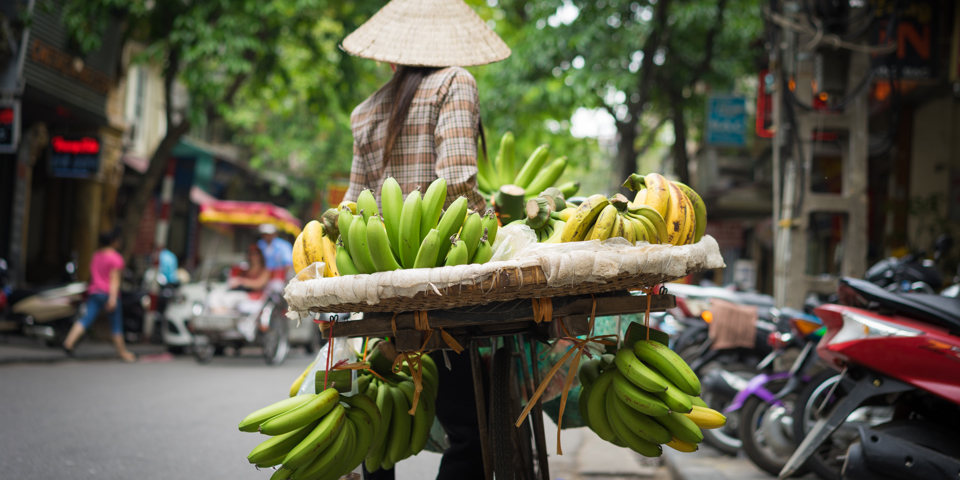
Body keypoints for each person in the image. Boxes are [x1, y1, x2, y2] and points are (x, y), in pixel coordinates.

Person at [339, 1, 510, 478]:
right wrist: (488, 229)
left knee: (374, 421)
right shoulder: (456, 82)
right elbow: (456, 184)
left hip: (379, 286)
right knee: (473, 432)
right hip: (443, 286)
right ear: (450, 46)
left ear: (391, 56)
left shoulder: (365, 112)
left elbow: (354, 205)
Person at [62, 229, 136, 362]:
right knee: (116, 324)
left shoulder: (96, 255)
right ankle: (123, 353)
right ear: (113, 241)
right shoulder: (116, 258)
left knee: (86, 319)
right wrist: (113, 298)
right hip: (108, 294)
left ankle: (68, 343)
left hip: (94, 292)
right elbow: (114, 280)